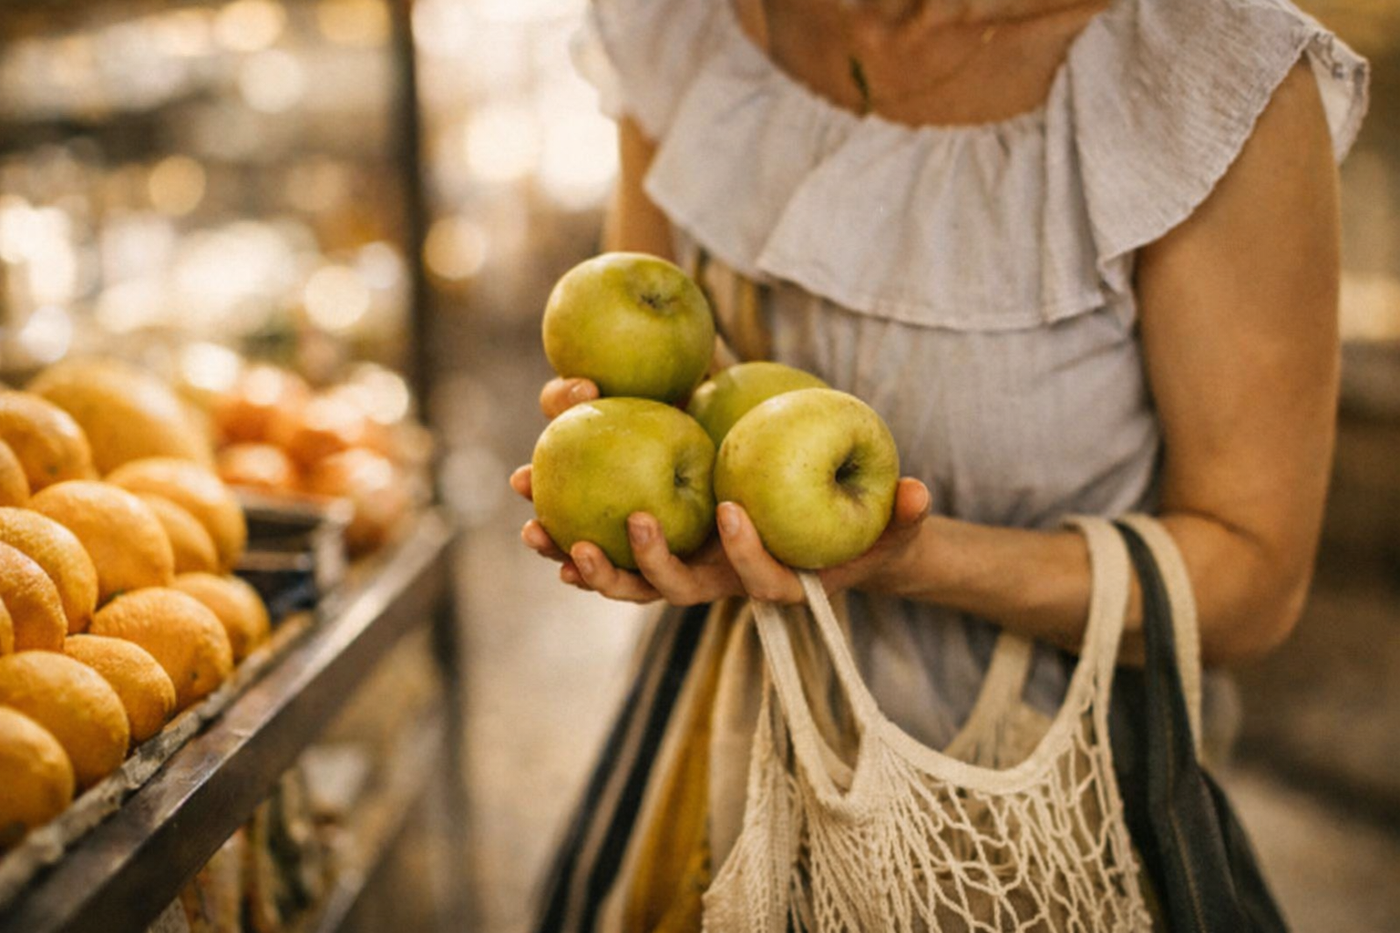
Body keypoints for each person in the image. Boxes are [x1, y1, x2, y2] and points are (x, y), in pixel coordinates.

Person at [510, 0, 1369, 927]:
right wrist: (629, 455)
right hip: (715, 773)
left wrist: (919, 558)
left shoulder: (1206, 77)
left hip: (1019, 836)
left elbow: (1254, 581)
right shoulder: (694, 28)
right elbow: (650, 376)